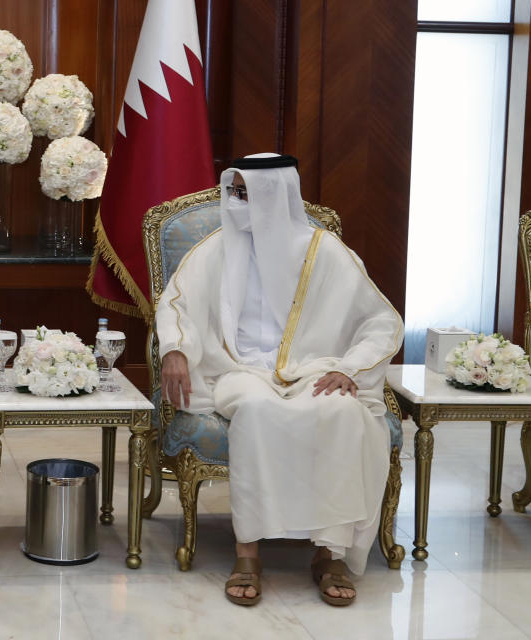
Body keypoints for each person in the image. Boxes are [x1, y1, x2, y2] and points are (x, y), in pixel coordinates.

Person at [157, 153, 402, 607]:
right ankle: (247, 552)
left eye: (245, 193)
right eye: (234, 192)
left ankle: (329, 553)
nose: (235, 202)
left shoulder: (323, 250)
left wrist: (348, 368)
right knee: (256, 409)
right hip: (236, 369)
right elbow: (176, 304)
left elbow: (379, 322)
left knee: (341, 411)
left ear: (275, 193)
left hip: (313, 367)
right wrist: (174, 347)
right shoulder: (215, 248)